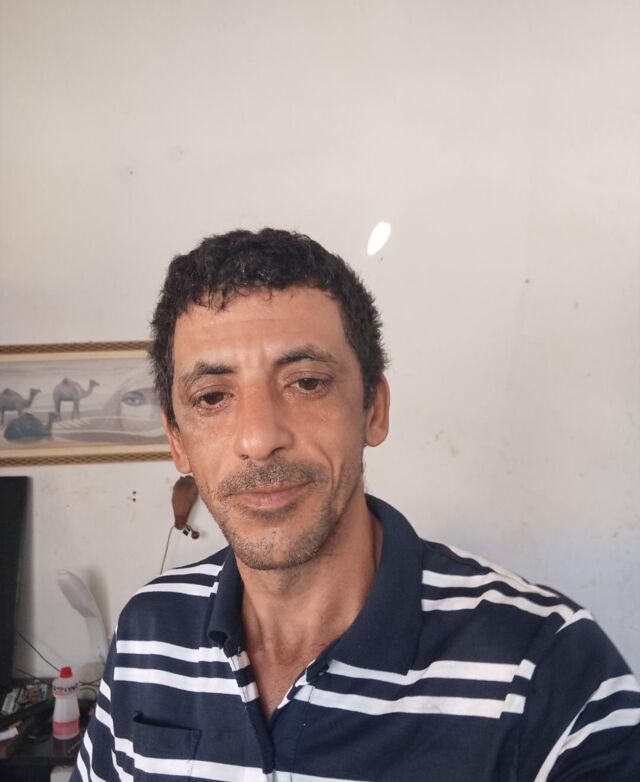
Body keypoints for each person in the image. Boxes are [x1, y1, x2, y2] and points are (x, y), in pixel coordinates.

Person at [73, 228, 640, 782]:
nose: (259, 438)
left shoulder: (547, 662)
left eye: (307, 383)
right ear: (177, 442)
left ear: (374, 410)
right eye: (213, 397)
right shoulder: (147, 630)